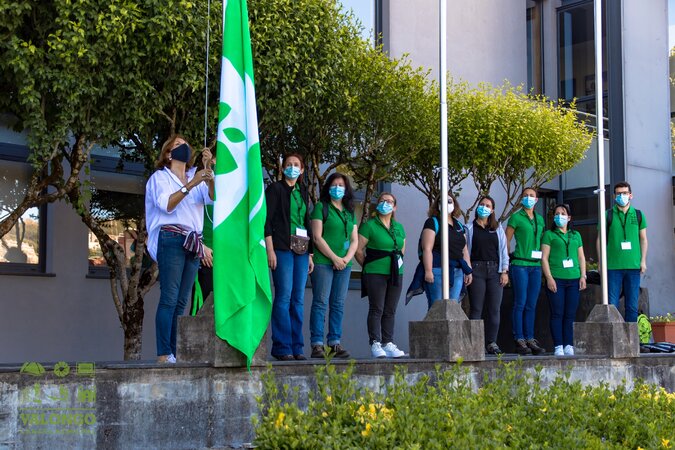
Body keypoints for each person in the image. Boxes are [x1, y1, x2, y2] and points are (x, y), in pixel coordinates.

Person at [145, 135, 214, 363]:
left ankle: (174, 352)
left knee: (182, 300)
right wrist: (191, 184)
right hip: (171, 238)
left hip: (193, 242)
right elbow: (167, 205)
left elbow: (213, 197)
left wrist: (209, 174)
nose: (182, 147)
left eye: (185, 144)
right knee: (169, 298)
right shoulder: (160, 178)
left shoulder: (195, 175)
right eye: (177, 145)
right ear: (168, 154)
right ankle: (164, 353)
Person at [265, 154, 314, 361]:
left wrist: (310, 254)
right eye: (288, 165)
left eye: (296, 165)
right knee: (284, 296)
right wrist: (270, 250)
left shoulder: (303, 191)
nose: (292, 167)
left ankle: (297, 347)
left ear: (301, 170)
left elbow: (306, 222)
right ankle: (282, 347)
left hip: (301, 250)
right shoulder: (275, 189)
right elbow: (266, 220)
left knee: (298, 299)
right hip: (282, 248)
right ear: (283, 168)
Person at [309, 173, 358, 359]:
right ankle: (317, 344)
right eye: (334, 184)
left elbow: (354, 240)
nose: (338, 188)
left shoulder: (349, 211)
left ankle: (334, 343)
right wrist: (335, 258)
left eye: (341, 185)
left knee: (338, 303)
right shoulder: (321, 207)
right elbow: (317, 237)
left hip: (344, 264)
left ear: (346, 189)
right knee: (321, 302)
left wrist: (346, 259)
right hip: (324, 262)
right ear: (328, 187)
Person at [355, 192, 407, 359]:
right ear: (377, 205)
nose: (386, 203)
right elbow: (358, 250)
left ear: (395, 207)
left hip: (395, 273)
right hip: (375, 272)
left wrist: (396, 265)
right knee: (377, 308)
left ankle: (388, 342)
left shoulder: (399, 227)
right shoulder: (369, 226)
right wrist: (368, 266)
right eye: (382, 201)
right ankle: (375, 342)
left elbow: (402, 249)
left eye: (390, 201)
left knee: (390, 309)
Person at [597, 181, 648, 323]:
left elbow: (643, 239)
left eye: (625, 193)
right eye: (619, 193)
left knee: (632, 306)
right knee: (612, 306)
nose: (622, 196)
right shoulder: (607, 215)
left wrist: (643, 261)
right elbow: (600, 240)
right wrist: (601, 262)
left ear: (631, 195)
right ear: (614, 196)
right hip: (613, 267)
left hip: (633, 266)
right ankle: (615, 335)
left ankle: (630, 336)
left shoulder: (638, 214)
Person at [466, 196, 509, 355]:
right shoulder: (469, 228)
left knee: (494, 308)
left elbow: (503, 250)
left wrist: (504, 271)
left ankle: (492, 342)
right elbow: (465, 251)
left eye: (488, 205)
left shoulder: (497, 228)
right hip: (476, 269)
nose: (484, 207)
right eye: (482, 204)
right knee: (476, 308)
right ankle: (475, 343)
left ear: (492, 210)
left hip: (495, 271)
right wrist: (467, 270)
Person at [542, 204, 587, 356]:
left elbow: (581, 257)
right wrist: (549, 278)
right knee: (557, 313)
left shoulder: (576, 235)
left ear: (569, 218)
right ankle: (558, 346)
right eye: (556, 214)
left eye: (562, 213)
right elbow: (544, 258)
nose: (559, 216)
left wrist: (583, 275)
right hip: (557, 279)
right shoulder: (549, 235)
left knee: (570, 314)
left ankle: (568, 344)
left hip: (574, 279)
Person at [506, 187, 545, 355]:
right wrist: (506, 263)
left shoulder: (540, 219)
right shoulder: (516, 217)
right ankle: (519, 338)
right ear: (522, 199)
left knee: (531, 304)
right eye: (525, 196)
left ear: (536, 200)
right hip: (520, 264)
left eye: (531, 196)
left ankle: (530, 338)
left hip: (536, 265)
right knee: (520, 302)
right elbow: (506, 240)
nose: (528, 198)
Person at [419, 193, 472, 308]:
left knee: (453, 307)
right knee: (436, 307)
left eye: (449, 201)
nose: (446, 204)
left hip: (457, 271)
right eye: (442, 201)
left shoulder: (459, 225)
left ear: (454, 204)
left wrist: (468, 270)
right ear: (437, 204)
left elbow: (464, 250)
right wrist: (428, 270)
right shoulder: (432, 222)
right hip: (437, 270)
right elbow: (427, 248)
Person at [191, 148, 216, 315]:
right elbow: (191, 220)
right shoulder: (198, 182)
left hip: (227, 257)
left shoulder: (234, 185)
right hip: (207, 255)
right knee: (202, 306)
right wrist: (201, 247)